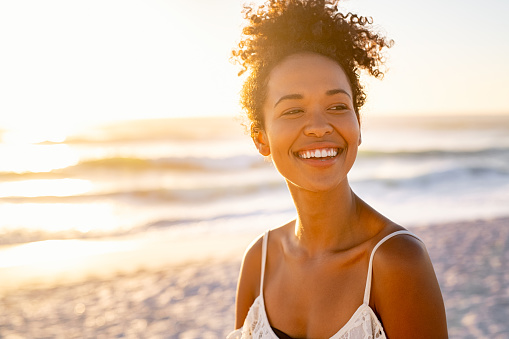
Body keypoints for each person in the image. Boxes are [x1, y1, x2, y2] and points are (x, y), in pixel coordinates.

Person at [228, 1, 448, 338]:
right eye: (293, 111)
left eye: (336, 106)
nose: (319, 126)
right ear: (261, 139)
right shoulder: (258, 262)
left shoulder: (397, 261)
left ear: (358, 126)